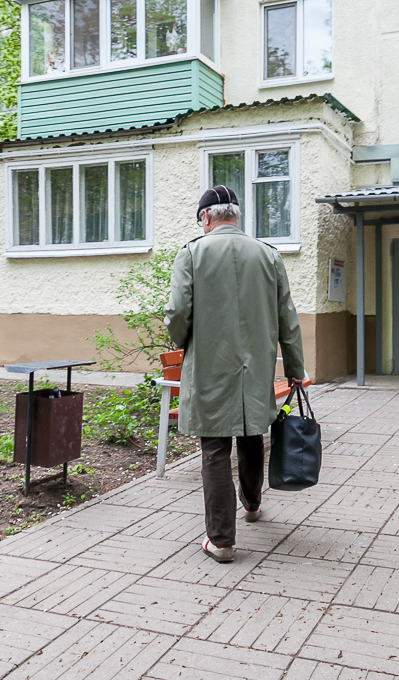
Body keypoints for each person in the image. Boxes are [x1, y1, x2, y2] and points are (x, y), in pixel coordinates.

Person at [164, 185, 305, 563]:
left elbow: (177, 313)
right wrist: (294, 368)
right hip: (255, 367)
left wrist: (185, 341)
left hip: (210, 365)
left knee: (214, 447)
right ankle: (253, 505)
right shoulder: (269, 255)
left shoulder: (192, 253)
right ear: (236, 216)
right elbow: (287, 320)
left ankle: (222, 541)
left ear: (205, 217)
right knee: (250, 433)